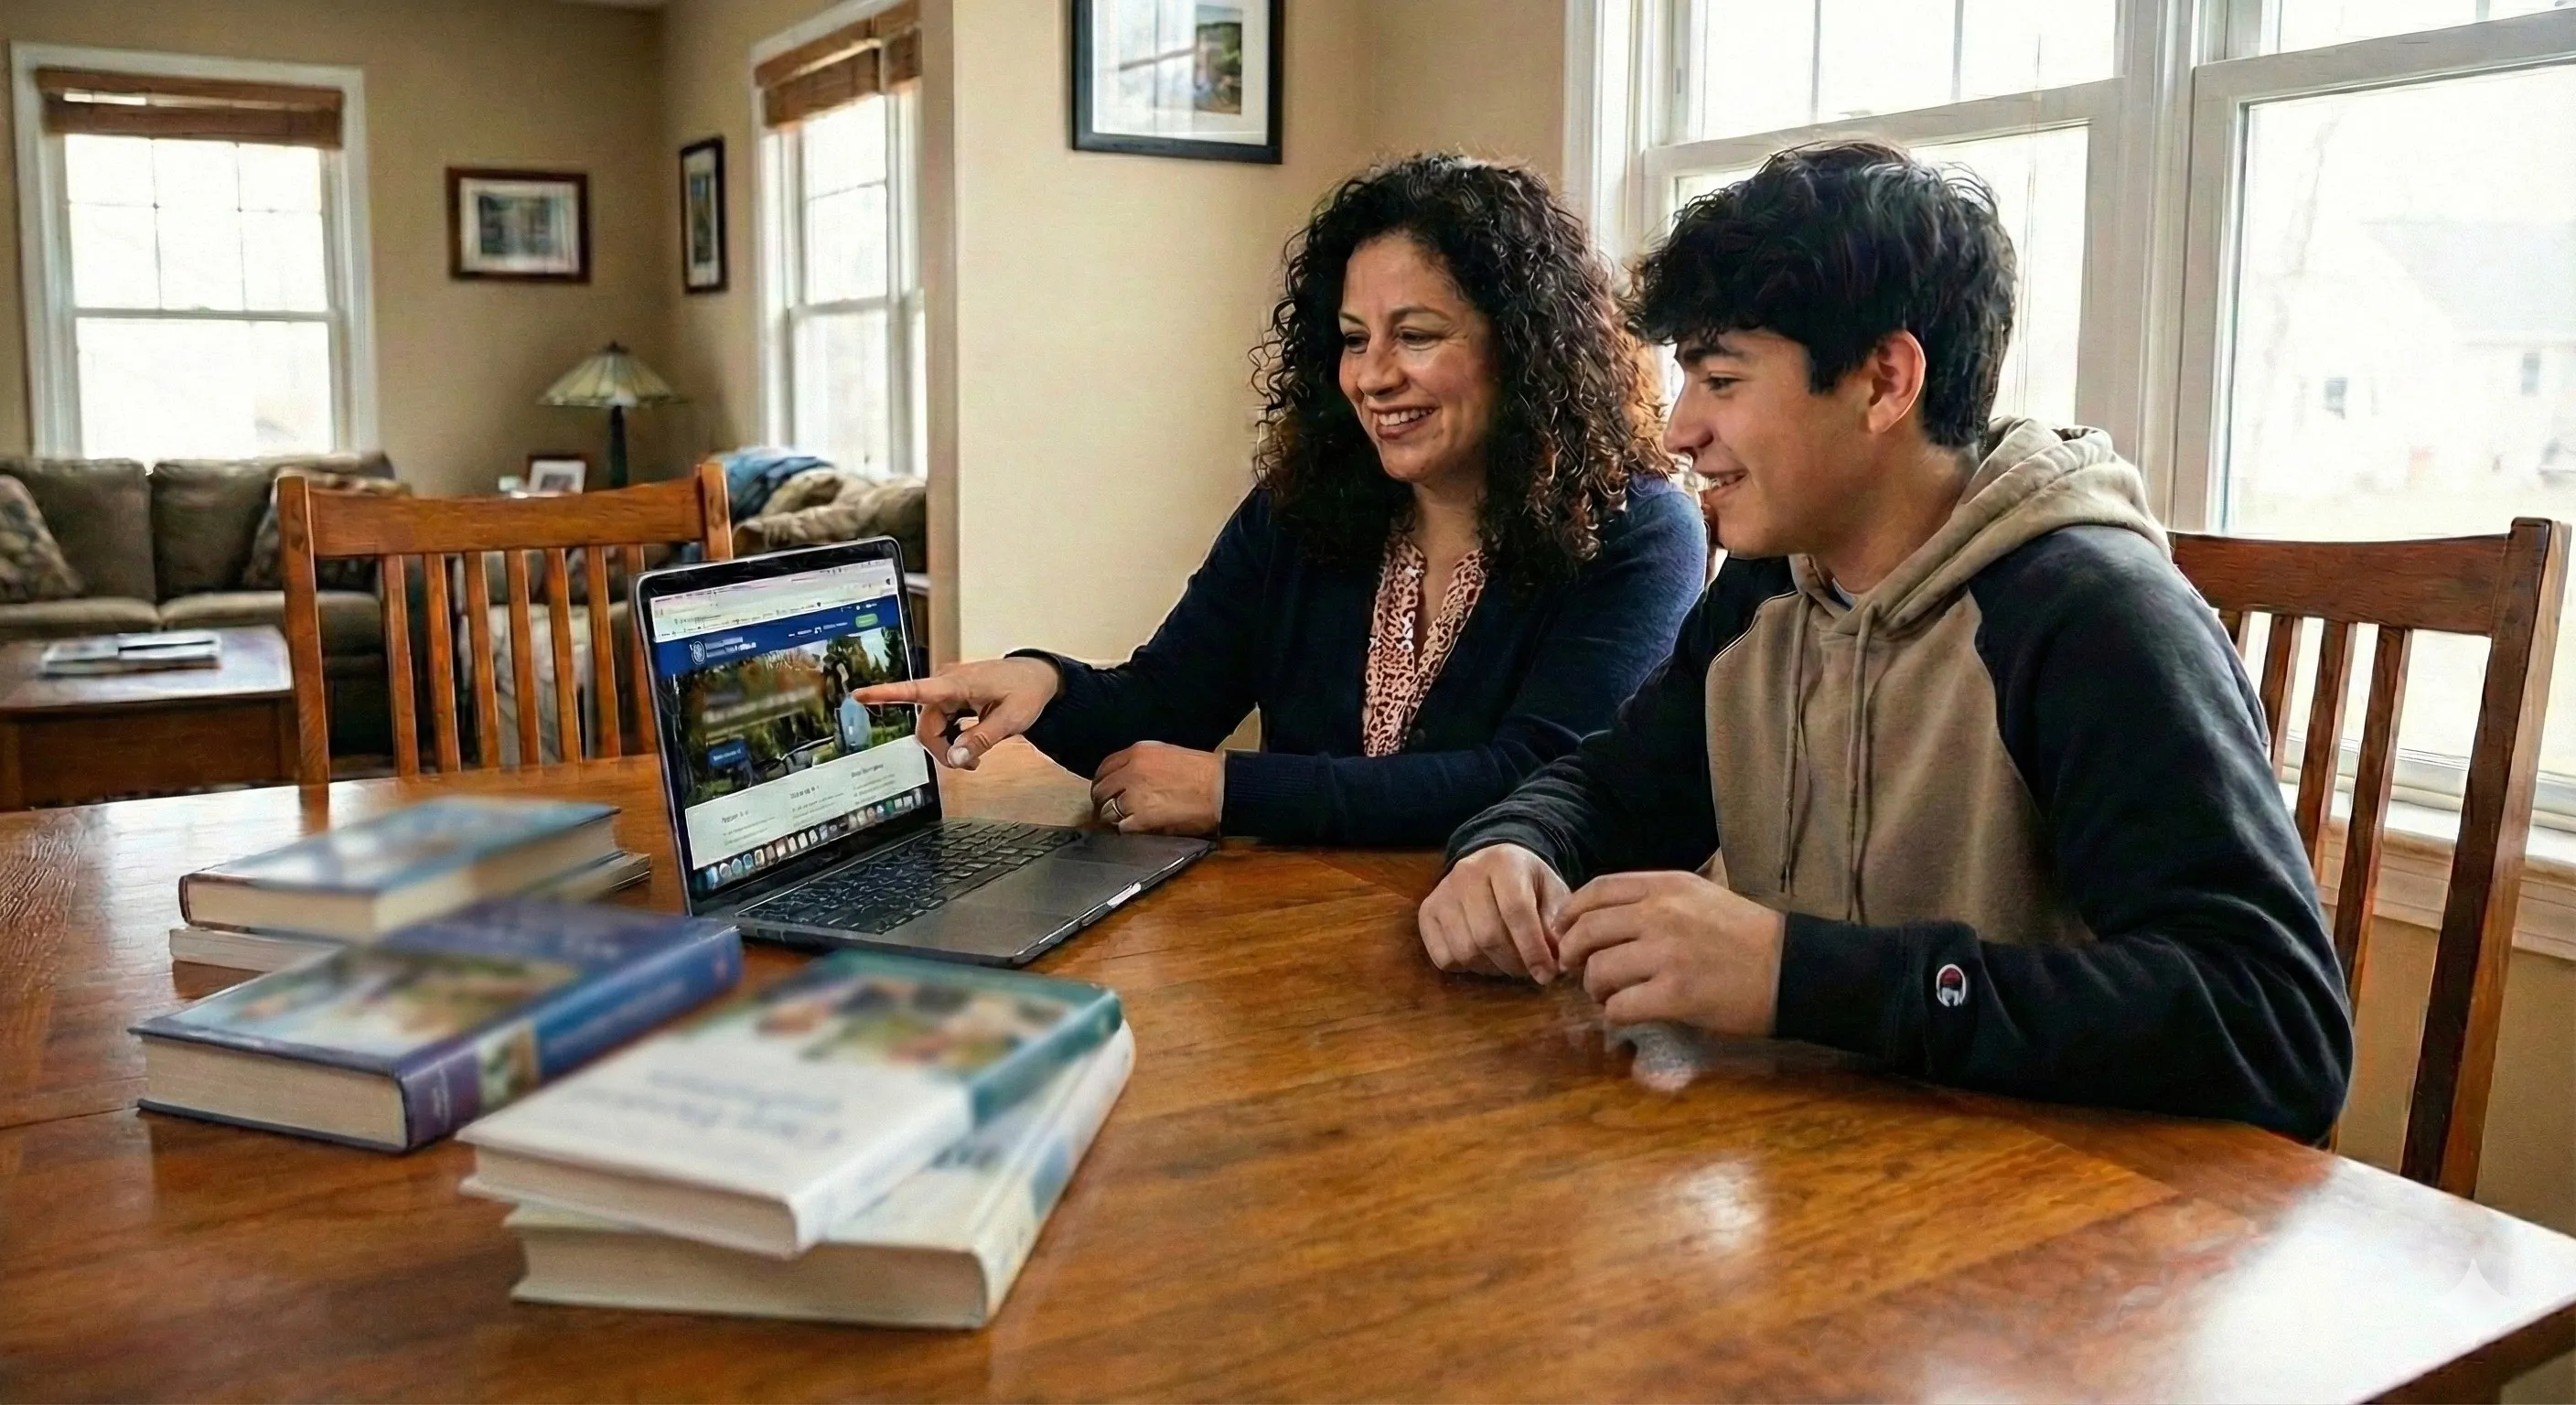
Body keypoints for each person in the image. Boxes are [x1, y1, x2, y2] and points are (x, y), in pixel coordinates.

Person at [1419, 142, 2354, 1140]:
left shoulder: (2094, 619)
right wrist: (1512, 848)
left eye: (1720, 379)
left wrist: (1796, 976)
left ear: (1883, 381)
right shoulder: (1772, 585)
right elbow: (1614, 789)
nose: (1676, 430)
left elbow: (2276, 1025)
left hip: (2073, 1233)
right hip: (1843, 1179)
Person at [860, 155, 1706, 847]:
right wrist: (1040, 683)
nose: (1373, 376)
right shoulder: (1302, 505)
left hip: (1509, 966)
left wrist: (1235, 788)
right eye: (1352, 340)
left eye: (1416, 335)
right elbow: (1166, 704)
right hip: (1292, 944)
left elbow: (1536, 778)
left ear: (1524, 349)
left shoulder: (1637, 528)